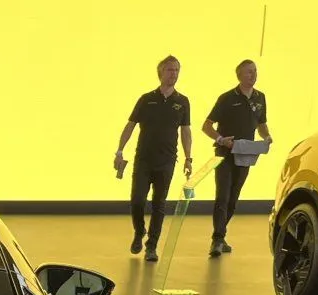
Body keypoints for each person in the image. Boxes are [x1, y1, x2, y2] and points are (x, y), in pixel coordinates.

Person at [114, 56, 193, 262]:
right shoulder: (146, 99)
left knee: (159, 204)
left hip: (167, 161)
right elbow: (130, 125)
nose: (173, 74)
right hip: (144, 159)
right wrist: (120, 151)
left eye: (176, 70)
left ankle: (152, 246)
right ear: (160, 73)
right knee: (137, 200)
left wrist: (188, 158)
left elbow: (185, 131)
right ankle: (139, 231)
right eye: (169, 70)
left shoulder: (182, 102)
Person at [202, 59, 271, 257]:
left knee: (233, 199)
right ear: (239, 75)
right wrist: (221, 139)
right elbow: (207, 126)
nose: (253, 75)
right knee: (222, 196)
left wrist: (267, 137)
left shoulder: (260, 98)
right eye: (249, 72)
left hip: (245, 153)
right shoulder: (226, 98)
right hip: (224, 153)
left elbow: (261, 124)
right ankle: (217, 239)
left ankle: (221, 236)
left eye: (255, 71)